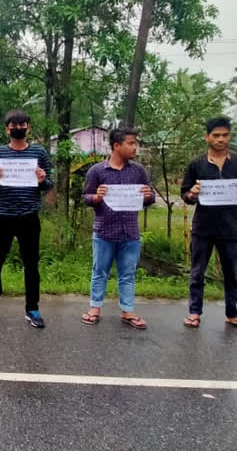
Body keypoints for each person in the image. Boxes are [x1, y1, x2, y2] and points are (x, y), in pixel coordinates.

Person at [181, 116, 237, 332]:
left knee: (232, 273)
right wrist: (192, 194)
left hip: (230, 227)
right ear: (207, 137)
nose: (220, 139)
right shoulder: (197, 164)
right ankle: (194, 313)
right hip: (203, 227)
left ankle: (232, 314)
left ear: (230, 137)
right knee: (197, 272)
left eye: (224, 135)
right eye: (216, 135)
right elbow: (185, 194)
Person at [0, 109, 52, 328]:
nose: (18, 128)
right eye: (14, 125)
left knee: (31, 265)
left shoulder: (39, 153)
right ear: (7, 129)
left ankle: (33, 309)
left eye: (22, 125)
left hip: (29, 216)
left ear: (28, 128)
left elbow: (49, 185)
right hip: (2, 216)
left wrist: (42, 179)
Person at [81, 128, 155, 330]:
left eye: (135, 143)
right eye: (130, 143)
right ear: (116, 145)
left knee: (128, 273)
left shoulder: (138, 171)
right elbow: (86, 197)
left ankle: (128, 311)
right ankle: (95, 308)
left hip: (130, 232)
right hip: (104, 231)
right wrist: (96, 197)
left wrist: (148, 195)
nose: (135, 147)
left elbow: (150, 198)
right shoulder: (97, 171)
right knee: (99, 271)